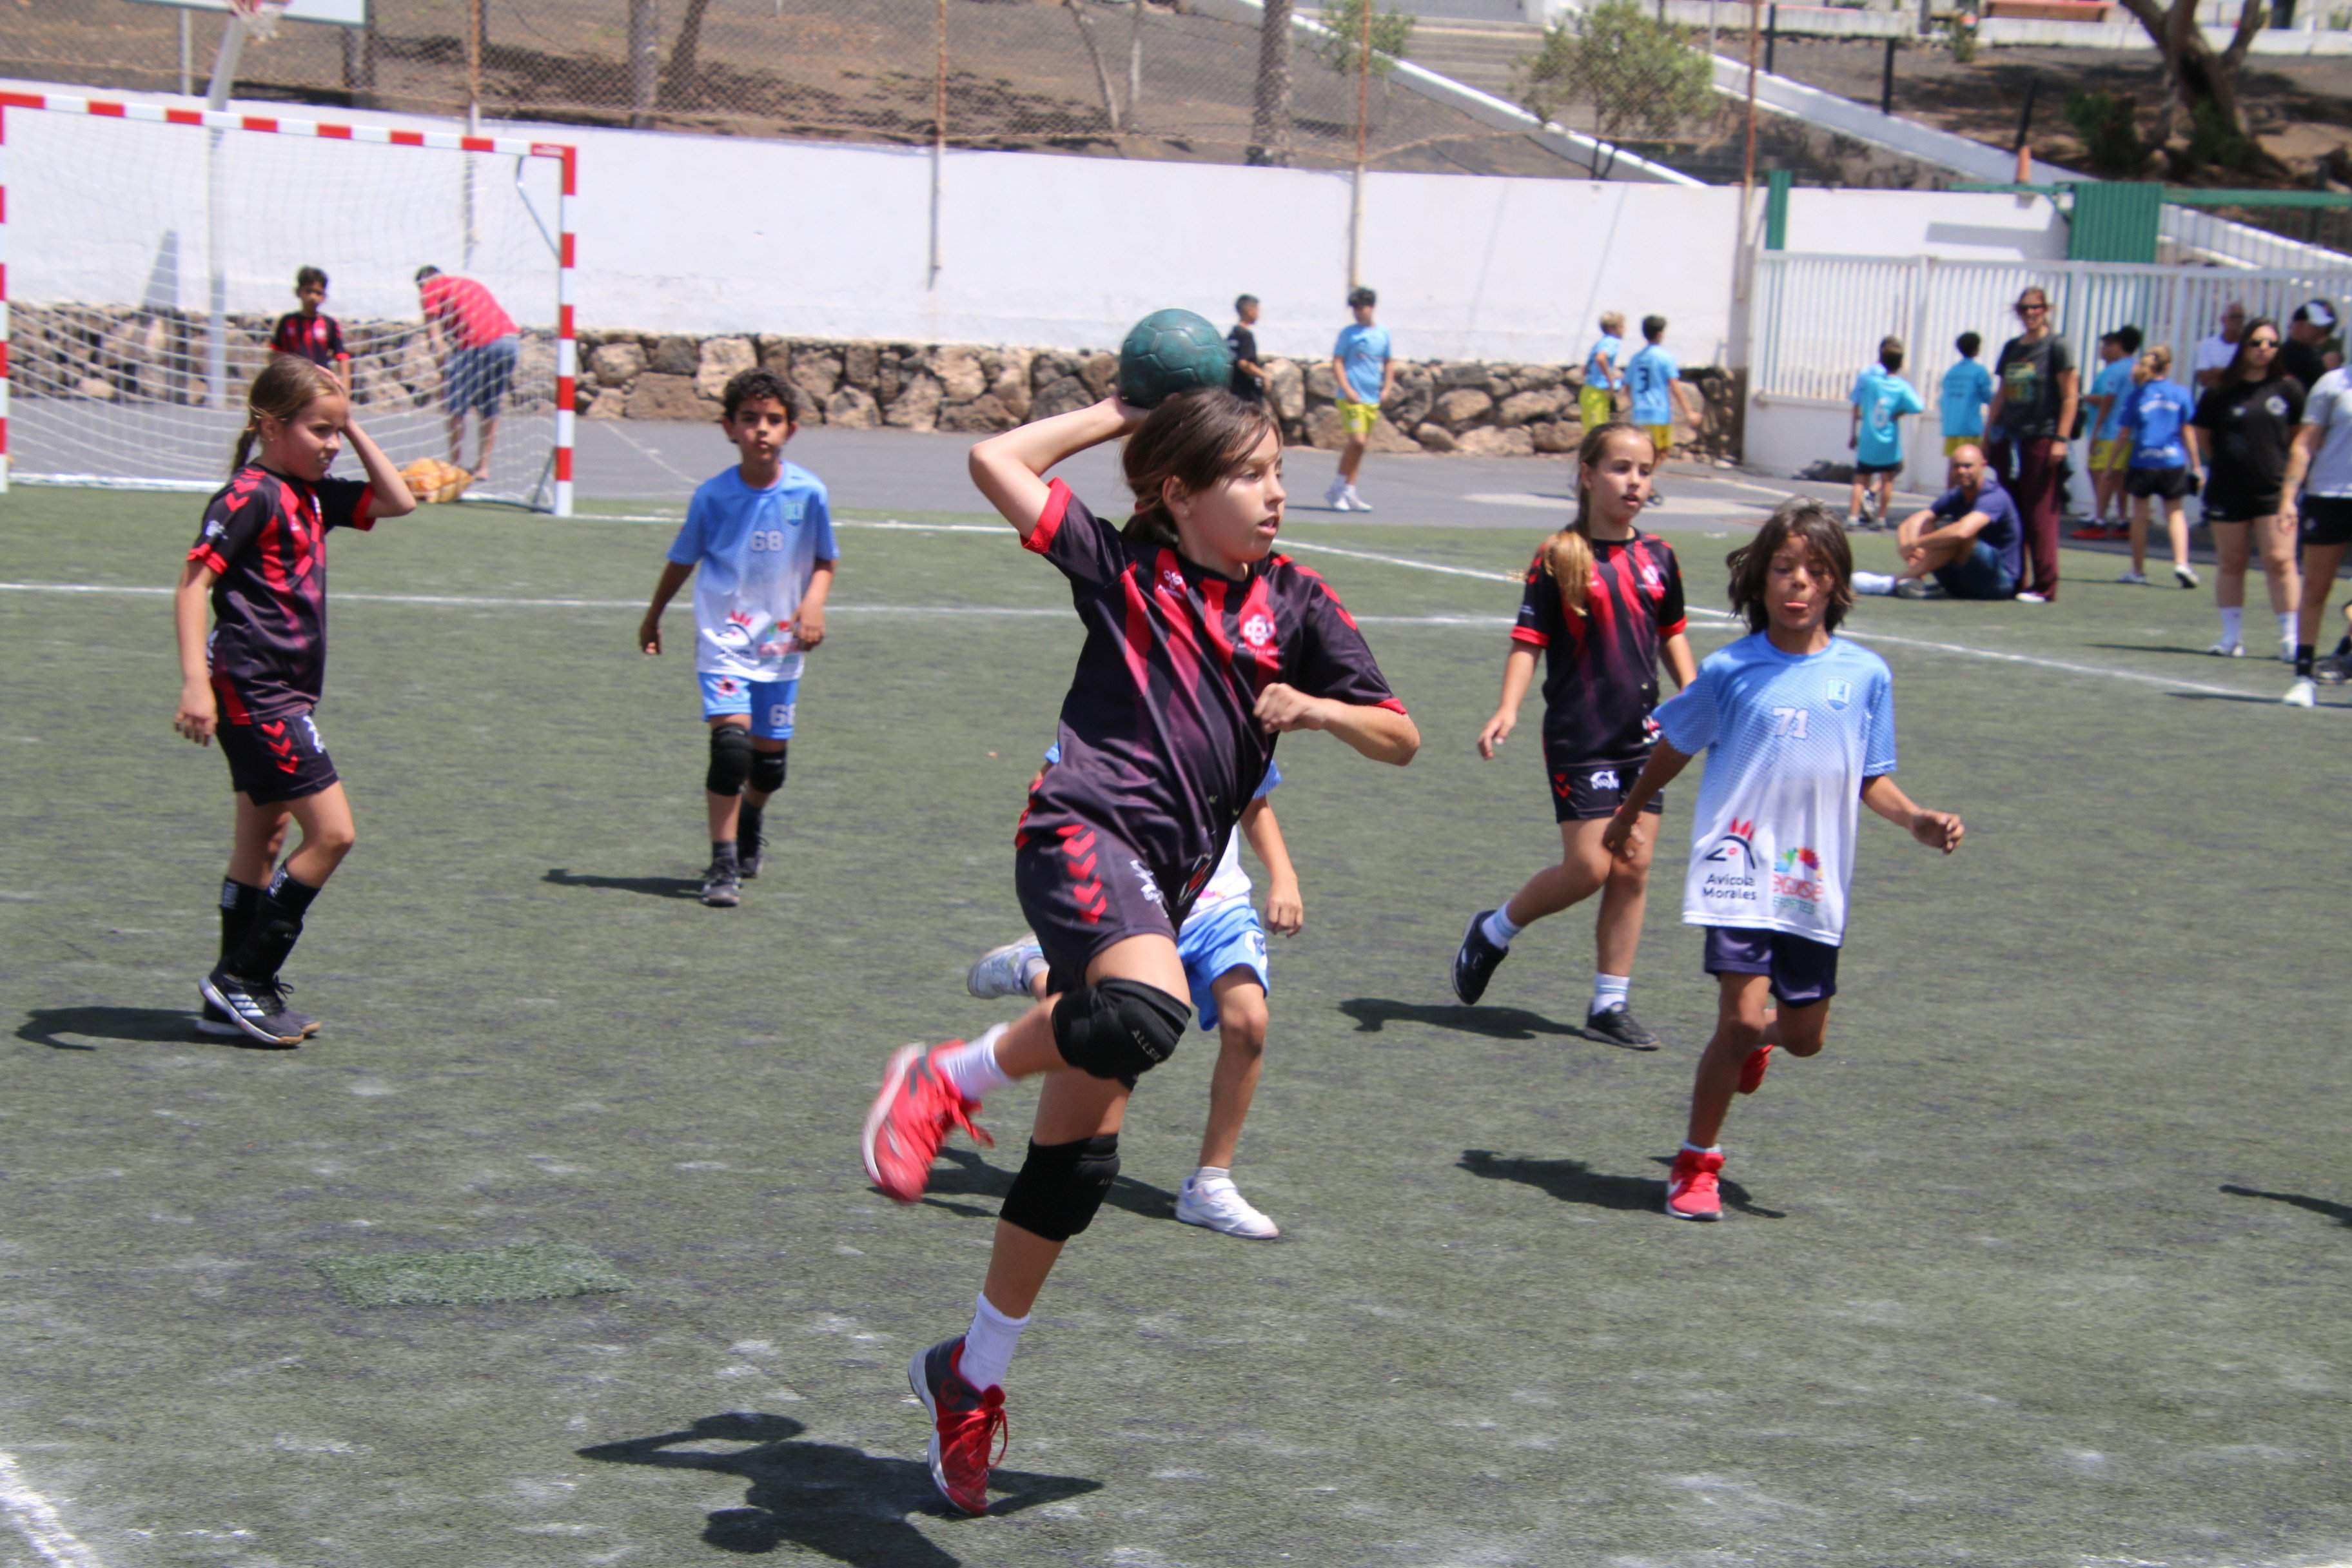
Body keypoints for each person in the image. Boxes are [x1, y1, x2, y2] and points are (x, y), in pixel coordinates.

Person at [859, 389, 1416, 1516]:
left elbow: (1401, 736)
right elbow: (991, 456)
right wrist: (1120, 409)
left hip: (1157, 890)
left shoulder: (1298, 600)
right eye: (1249, 474)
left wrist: (1318, 709)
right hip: (1077, 833)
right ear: (1176, 492)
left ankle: (968, 1377)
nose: (1275, 492)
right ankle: (943, 1079)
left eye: (1277, 470)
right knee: (1153, 1014)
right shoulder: (1120, 570)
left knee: (1078, 1168)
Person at [1600, 498, 1963, 1222]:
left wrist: (1917, 817)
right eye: (1785, 568)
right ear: (1759, 581)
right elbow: (1676, 741)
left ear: (1837, 584)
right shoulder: (1732, 669)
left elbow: (1870, 776)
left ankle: (1758, 1043)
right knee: (1734, 1019)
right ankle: (1695, 1162)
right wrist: (1633, 805)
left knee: (1804, 1038)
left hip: (1813, 880)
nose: (1799, 583)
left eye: (1816, 570)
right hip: (1737, 871)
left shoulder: (1865, 675)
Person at [172, 355, 418, 1045]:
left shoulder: (313, 494)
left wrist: (353, 421)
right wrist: (196, 681)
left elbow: (398, 500)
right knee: (334, 832)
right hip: (257, 690)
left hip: (282, 692)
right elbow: (193, 586)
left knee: (264, 837)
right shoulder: (250, 494)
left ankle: (227, 995)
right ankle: (244, 977)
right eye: (319, 429)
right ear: (269, 427)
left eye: (337, 431)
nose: (331, 444)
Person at [966, 750, 1302, 1239]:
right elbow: (1052, 779)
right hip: (1135, 905)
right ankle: (1032, 971)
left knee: (1249, 1021)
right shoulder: (1128, 690)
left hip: (1217, 905)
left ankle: (1210, 1183)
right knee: (1110, 1029)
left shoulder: (1247, 707)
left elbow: (1254, 802)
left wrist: (1284, 877)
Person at [1453, 422, 1696, 1047]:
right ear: (1587, 474)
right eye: (1619, 467)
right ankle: (1494, 930)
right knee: (1590, 865)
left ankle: (1609, 1004)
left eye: (1644, 470)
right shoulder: (1561, 555)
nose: (1634, 481)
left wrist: (1699, 699)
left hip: (1645, 735)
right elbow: (1527, 641)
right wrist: (1507, 707)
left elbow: (1672, 636)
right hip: (1579, 735)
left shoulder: (1660, 556)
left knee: (1633, 866)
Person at [637, 368, 836, 907]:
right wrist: (654, 615)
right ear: (729, 428)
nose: (761, 430)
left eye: (773, 420)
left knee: (768, 768)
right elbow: (683, 559)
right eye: (749, 420)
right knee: (730, 751)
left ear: (790, 429)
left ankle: (751, 817)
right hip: (723, 640)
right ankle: (722, 862)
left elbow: (825, 559)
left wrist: (812, 603)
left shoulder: (808, 492)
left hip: (781, 646)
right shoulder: (713, 496)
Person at [2191, 316, 2304, 661]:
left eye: (2271, 343)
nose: (2263, 350)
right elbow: (2204, 436)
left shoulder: (2289, 389)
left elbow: (2300, 437)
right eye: (2256, 343)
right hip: (2228, 489)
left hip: (2273, 491)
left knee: (2280, 561)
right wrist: (2223, 464)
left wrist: (2289, 488)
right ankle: (2231, 637)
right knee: (2231, 562)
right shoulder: (2220, 391)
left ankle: (2290, 638)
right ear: (2244, 347)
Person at [1985, 284, 2077, 603]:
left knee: (2040, 512)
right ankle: (2013, 577)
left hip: (2041, 435)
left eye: (2036, 308)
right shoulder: (2012, 348)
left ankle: (2044, 584)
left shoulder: (2057, 347)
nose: (2031, 314)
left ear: (2046, 310)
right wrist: (1988, 434)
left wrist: (2060, 439)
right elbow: (2001, 393)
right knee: (2009, 509)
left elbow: (2069, 396)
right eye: (2025, 309)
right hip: (2007, 437)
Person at [1852, 443, 2023, 602]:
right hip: (1966, 579)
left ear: (1983, 466)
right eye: (1957, 466)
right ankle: (1915, 579)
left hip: (1999, 583)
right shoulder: (1957, 494)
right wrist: (1907, 547)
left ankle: (1894, 582)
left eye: (1968, 466)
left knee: (1956, 535)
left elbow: (1963, 532)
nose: (1962, 471)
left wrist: (1919, 543)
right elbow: (1916, 520)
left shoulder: (1994, 496)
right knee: (1927, 524)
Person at [2278, 355, 2352, 706]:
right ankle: (2304, 677)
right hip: (2329, 497)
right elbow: (2305, 444)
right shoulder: (2333, 384)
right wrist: (2289, 497)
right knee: (2316, 589)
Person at [415, 264, 520, 482]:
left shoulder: (430, 288)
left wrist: (443, 372)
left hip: (479, 343)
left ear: (423, 284)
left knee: (455, 405)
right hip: (510, 341)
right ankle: (483, 467)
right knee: (489, 405)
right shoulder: (467, 283)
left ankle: (455, 466)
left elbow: (436, 339)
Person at [2114, 344, 2201, 589]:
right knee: (2175, 513)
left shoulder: (2138, 394)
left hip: (2142, 460)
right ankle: (2182, 562)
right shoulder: (2181, 393)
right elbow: (2188, 431)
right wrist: (2196, 464)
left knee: (2140, 516)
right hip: (2172, 461)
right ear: (2170, 367)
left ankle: (2138, 570)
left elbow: (2124, 433)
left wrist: (2113, 464)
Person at [1845, 335, 1924, 531]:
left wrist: (1854, 432)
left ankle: (1853, 517)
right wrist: (1899, 412)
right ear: (1901, 362)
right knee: (1887, 479)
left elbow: (1858, 402)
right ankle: (1881, 518)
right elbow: (1918, 406)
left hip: (1869, 440)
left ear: (1880, 359)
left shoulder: (1870, 383)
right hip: (1889, 442)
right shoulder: (1902, 386)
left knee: (1861, 480)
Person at [1326, 286, 1393, 513]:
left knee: (1359, 448)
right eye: (1354, 308)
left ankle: (1349, 490)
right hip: (1351, 398)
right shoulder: (1348, 334)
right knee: (1358, 441)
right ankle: (1336, 488)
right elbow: (1337, 362)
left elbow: (1389, 361)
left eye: (1361, 307)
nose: (1357, 312)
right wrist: (1348, 389)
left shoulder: (1383, 333)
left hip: (1371, 397)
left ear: (1371, 307)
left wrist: (1387, 387)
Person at [2074, 325, 2142, 540]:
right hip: (2129, 433)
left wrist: (2094, 431)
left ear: (2119, 345)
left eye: (2108, 345)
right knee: (2120, 478)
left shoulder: (2115, 370)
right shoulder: (2139, 368)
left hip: (2109, 432)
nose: (2103, 349)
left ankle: (2099, 521)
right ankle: (2122, 521)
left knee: (2102, 474)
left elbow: (2107, 400)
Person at [1626, 315, 1703, 496]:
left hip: (1640, 411)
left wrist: (1635, 404)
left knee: (1646, 450)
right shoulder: (1665, 357)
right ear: (1660, 334)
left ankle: (1643, 478)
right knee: (1662, 451)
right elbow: (1674, 386)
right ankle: (1644, 481)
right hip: (1658, 411)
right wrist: (1689, 412)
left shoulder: (1636, 358)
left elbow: (1627, 386)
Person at [270, 266, 349, 379]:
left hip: (320, 384)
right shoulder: (287, 322)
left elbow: (342, 358)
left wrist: (345, 391)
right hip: (292, 382)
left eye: (318, 293)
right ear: (298, 292)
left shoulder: (330, 324)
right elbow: (275, 354)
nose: (313, 297)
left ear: (324, 297)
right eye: (309, 291)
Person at [1940, 331, 1995, 459]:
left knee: (1954, 462)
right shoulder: (1979, 372)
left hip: (1951, 427)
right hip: (1970, 427)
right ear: (1977, 349)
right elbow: (1988, 396)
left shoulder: (1951, 372)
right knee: (1971, 462)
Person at [1580, 311, 1627, 435]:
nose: (1624, 330)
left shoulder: (1599, 343)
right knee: (1600, 434)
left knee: (1591, 434)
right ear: (1612, 328)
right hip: (1598, 392)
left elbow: (1585, 370)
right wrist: (1610, 379)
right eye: (1621, 327)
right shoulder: (1612, 342)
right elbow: (1601, 358)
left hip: (1588, 390)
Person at [2282, 299, 2334, 393]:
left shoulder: (2313, 358)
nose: (2320, 332)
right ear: (2298, 324)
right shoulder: (2283, 354)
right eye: (2316, 326)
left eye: (2323, 328)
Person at [2195, 300, 2246, 390]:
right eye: (2234, 317)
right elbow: (2203, 379)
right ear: (2223, 320)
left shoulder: (2247, 347)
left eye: (2241, 317)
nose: (2238, 321)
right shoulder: (2208, 345)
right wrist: (2232, 372)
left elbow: (2245, 376)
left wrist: (2216, 371)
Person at [1227, 294, 1267, 405]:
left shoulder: (1233, 333)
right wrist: (1264, 375)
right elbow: (1243, 363)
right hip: (1246, 393)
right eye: (1257, 310)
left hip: (1233, 390)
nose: (1259, 314)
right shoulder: (1246, 335)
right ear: (1250, 311)